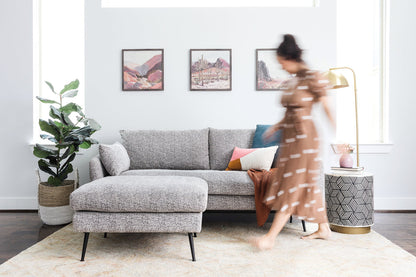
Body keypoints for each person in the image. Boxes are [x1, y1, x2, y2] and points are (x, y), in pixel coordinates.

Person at [251, 34, 336, 250]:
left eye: (282, 63)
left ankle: (270, 238)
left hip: (304, 139)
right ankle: (324, 229)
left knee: (292, 184)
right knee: (307, 183)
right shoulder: (294, 80)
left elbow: (326, 105)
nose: (281, 67)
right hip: (290, 139)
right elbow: (290, 111)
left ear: (291, 58)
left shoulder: (312, 77)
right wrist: (276, 127)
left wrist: (338, 133)